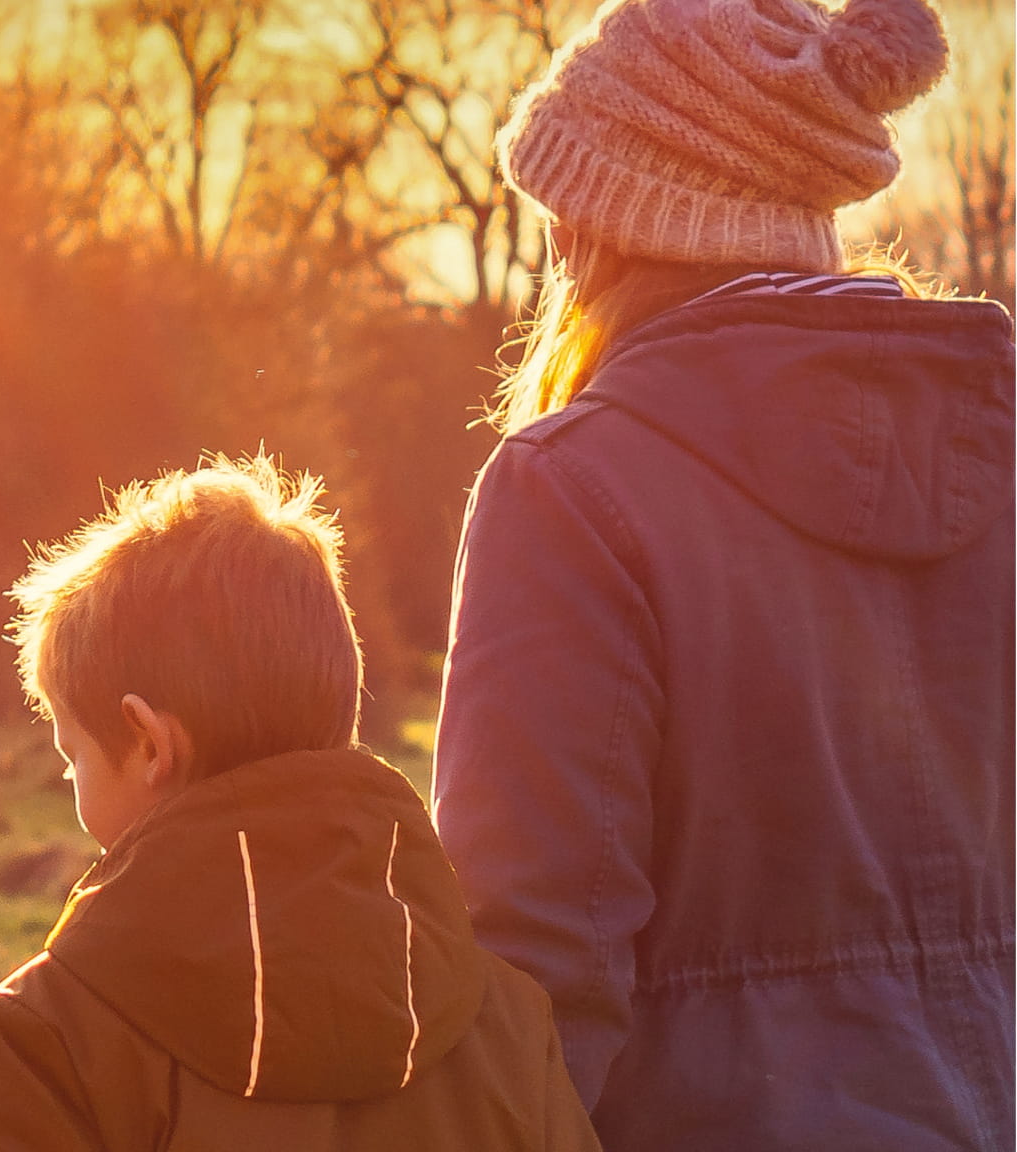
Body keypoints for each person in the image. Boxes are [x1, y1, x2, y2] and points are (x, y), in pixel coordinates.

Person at [429, 0, 1013, 1146]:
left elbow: (529, 966)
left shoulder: (568, 489)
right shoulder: (1000, 461)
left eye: (564, 216)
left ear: (618, 222)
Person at [0, 457, 596, 1151]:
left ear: (149, 743)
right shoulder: (511, 1028)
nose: (73, 789)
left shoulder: (44, 1046)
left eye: (74, 760)